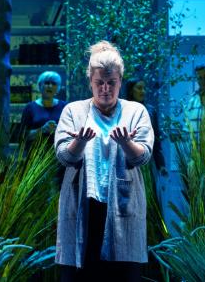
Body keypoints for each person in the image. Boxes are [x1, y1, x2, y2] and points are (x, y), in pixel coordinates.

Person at [54, 41, 154, 281]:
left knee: (123, 273)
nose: (105, 89)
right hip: (82, 205)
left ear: (120, 81)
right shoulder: (73, 111)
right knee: (81, 273)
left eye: (112, 82)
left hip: (123, 205)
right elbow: (64, 156)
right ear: (90, 80)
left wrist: (126, 143)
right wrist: (79, 142)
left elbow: (143, 156)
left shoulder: (136, 111)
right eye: (99, 82)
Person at [124, 78, 165, 174]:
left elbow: (156, 139)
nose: (143, 91)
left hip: (146, 161)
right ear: (131, 91)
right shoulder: (122, 110)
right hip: (127, 162)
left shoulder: (150, 111)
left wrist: (161, 164)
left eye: (144, 88)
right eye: (139, 88)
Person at [19, 71, 67, 144]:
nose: (50, 86)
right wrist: (42, 130)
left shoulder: (65, 106)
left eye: (54, 83)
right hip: (36, 150)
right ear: (39, 85)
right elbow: (22, 136)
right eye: (47, 83)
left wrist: (59, 130)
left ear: (58, 88)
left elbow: (72, 133)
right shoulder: (30, 107)